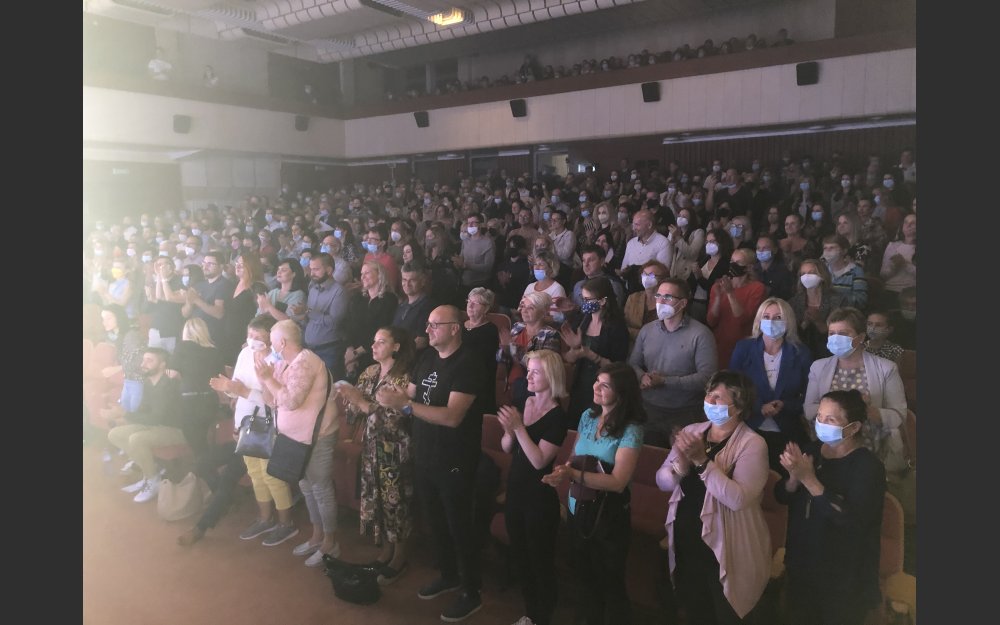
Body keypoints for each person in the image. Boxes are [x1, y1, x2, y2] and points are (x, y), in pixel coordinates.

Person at [374, 305, 490, 623]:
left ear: (455, 328)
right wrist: (393, 394)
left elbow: (452, 417)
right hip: (425, 452)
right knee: (435, 521)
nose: (428, 330)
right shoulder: (426, 359)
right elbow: (410, 393)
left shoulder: (468, 363)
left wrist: (406, 405)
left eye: (436, 325)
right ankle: (449, 575)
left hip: (455, 459)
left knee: (458, 525)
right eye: (428, 324)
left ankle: (471, 591)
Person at [656, 370, 772, 625]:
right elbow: (662, 481)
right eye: (709, 394)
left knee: (724, 613)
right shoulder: (693, 431)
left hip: (726, 545)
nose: (709, 401)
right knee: (694, 609)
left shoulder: (753, 444)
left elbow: (738, 499)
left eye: (718, 397)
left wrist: (701, 461)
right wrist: (678, 467)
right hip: (688, 537)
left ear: (738, 406)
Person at [541, 362, 645, 625]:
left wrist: (573, 474)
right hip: (579, 506)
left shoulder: (631, 428)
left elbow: (618, 481)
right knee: (583, 576)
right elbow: (574, 456)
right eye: (597, 381)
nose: (596, 387)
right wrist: (563, 471)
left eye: (605, 385)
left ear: (621, 393)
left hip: (608, 514)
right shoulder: (588, 416)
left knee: (610, 581)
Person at [776, 389, 886, 625]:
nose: (821, 424)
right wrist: (793, 479)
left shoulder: (868, 467)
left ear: (853, 428)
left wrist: (809, 479)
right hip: (802, 566)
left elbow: (852, 521)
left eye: (831, 420)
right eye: (819, 417)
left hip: (842, 577)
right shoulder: (812, 450)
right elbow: (782, 497)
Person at [178, 314, 277, 547]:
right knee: (202, 463)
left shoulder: (276, 360)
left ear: (270, 339)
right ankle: (227, 500)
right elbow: (235, 388)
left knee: (228, 477)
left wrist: (240, 391)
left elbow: (273, 402)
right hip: (240, 429)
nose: (252, 341)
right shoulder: (245, 354)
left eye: (258, 337)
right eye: (249, 335)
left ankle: (202, 526)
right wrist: (228, 389)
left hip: (261, 434)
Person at [257, 319, 341, 566]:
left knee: (321, 489)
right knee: (307, 488)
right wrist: (264, 378)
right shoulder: (284, 363)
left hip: (318, 437)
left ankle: (330, 543)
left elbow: (291, 400)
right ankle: (316, 536)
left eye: (272, 342)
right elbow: (272, 400)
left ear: (282, 343)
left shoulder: (306, 362)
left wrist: (269, 379)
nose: (270, 346)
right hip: (296, 439)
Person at [338, 326, 416, 583]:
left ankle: (400, 556)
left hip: (395, 449)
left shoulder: (404, 377)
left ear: (396, 347)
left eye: (381, 342)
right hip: (371, 446)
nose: (373, 346)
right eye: (374, 341)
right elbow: (354, 412)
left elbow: (394, 418)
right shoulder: (370, 371)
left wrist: (361, 402)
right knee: (378, 500)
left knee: (396, 503)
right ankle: (386, 551)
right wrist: (350, 398)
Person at [496, 350, 569, 625]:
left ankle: (542, 615)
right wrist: (509, 431)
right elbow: (507, 448)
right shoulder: (522, 401)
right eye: (528, 371)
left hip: (539, 497)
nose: (528, 376)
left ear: (552, 376)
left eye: (535, 372)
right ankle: (530, 613)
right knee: (521, 556)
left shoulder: (557, 417)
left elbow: (539, 461)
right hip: (516, 490)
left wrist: (518, 428)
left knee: (540, 560)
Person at [803, 307, 908, 475]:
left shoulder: (887, 368)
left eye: (843, 333)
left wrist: (866, 409)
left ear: (860, 337)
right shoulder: (818, 367)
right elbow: (809, 410)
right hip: (829, 446)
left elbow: (899, 415)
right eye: (831, 333)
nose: (836, 338)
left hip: (872, 449)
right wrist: (843, 408)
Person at [628, 277, 718, 448]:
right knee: (646, 456)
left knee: (678, 461)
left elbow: (707, 378)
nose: (660, 302)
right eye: (658, 296)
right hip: (648, 408)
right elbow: (633, 363)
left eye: (668, 297)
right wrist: (642, 376)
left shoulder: (701, 334)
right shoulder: (647, 330)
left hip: (685, 412)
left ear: (683, 303)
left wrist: (665, 381)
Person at [729, 298, 812, 472]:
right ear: (759, 321)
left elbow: (808, 396)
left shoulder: (801, 353)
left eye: (778, 317)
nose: (771, 322)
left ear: (788, 321)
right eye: (766, 317)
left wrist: (785, 405)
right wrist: (759, 407)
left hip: (786, 431)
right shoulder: (744, 348)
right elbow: (732, 389)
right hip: (749, 426)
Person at [107, 347, 185, 503]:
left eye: (149, 361)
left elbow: (156, 417)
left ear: (162, 365)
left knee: (136, 439)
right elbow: (144, 412)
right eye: (143, 360)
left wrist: (124, 414)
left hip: (175, 430)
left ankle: (152, 480)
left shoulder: (170, 385)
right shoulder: (148, 383)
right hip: (155, 426)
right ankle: (149, 471)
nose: (143, 364)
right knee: (114, 434)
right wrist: (121, 410)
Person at [561, 276, 630, 426]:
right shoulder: (582, 321)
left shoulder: (617, 327)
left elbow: (618, 368)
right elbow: (569, 358)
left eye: (588, 300)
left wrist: (591, 355)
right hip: (580, 383)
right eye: (582, 299)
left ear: (603, 301)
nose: (584, 303)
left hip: (604, 387)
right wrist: (574, 348)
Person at [169, 317, 225, 459]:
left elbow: (173, 373)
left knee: (195, 441)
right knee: (201, 438)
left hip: (190, 400)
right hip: (210, 399)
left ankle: (207, 467)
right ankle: (207, 465)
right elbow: (221, 376)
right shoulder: (214, 350)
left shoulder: (182, 346)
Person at [706, 247, 767, 368]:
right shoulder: (718, 286)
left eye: (738, 262)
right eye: (732, 261)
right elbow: (711, 321)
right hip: (720, 345)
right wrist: (718, 297)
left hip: (743, 346)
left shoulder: (757, 288)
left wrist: (730, 293)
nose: (733, 265)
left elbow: (743, 319)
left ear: (748, 267)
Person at [297, 253, 351, 380]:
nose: (312, 273)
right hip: (309, 349)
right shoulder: (312, 287)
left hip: (328, 350)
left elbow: (334, 323)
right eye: (311, 269)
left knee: (329, 385)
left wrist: (308, 311)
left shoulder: (339, 291)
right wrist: (302, 314)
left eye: (316, 269)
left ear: (329, 270)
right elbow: (310, 317)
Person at [345, 261, 399, 380]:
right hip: (352, 354)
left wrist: (355, 353)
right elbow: (349, 324)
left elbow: (381, 329)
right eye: (361, 273)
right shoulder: (358, 298)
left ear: (379, 274)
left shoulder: (389, 300)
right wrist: (349, 350)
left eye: (367, 273)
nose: (363, 277)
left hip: (374, 355)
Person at [508, 292, 562, 410]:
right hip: (509, 381)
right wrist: (504, 348)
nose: (524, 311)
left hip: (531, 389)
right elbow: (504, 357)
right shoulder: (517, 327)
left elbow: (543, 370)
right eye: (523, 306)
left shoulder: (550, 335)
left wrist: (515, 350)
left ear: (543, 312)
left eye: (531, 308)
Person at [182, 251, 235, 352]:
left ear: (221, 266)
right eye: (204, 263)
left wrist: (196, 300)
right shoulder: (199, 285)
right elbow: (185, 314)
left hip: (212, 336)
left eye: (210, 264)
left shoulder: (224, 285)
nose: (205, 267)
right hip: (194, 334)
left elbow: (219, 313)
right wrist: (189, 302)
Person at [100, 303, 146, 414]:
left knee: (131, 414)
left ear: (119, 317)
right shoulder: (118, 337)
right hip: (129, 379)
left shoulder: (131, 336)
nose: (104, 322)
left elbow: (139, 361)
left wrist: (115, 369)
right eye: (103, 319)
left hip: (138, 380)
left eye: (109, 318)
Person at [224, 253, 267, 365]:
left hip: (245, 338)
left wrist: (251, 339)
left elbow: (263, 315)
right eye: (237, 263)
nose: (237, 266)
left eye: (242, 265)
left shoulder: (257, 287)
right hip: (229, 337)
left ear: (251, 266)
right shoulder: (234, 284)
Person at [788, 258, 835, 361]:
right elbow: (792, 335)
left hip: (830, 352)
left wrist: (819, 322)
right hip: (802, 353)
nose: (806, 276)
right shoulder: (794, 302)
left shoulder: (838, 300)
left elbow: (840, 332)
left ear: (822, 276)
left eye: (811, 272)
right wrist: (804, 323)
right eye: (803, 274)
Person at [462, 287, 500, 411]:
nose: (470, 305)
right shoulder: (459, 326)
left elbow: (482, 359)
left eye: (476, 303)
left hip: (477, 377)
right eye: (469, 301)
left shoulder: (490, 330)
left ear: (486, 308)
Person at [619, 209, 673, 293]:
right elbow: (623, 269)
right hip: (631, 292)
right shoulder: (631, 243)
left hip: (653, 292)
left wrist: (634, 270)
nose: (633, 228)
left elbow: (662, 273)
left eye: (637, 225)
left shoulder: (663, 243)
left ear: (649, 225)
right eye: (633, 225)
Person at [687, 228, 734, 324]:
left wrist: (699, 277)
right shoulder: (704, 260)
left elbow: (714, 287)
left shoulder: (726, 264)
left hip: (710, 304)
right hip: (694, 302)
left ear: (722, 243)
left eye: (712, 241)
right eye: (707, 242)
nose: (709, 244)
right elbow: (691, 281)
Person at [392, 261, 437, 356]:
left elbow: (422, 341)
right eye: (404, 280)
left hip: (414, 359)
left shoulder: (427, 306)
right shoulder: (401, 305)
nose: (407, 284)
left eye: (412, 280)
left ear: (422, 282)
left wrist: (395, 352)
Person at [144, 256, 186, 353]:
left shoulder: (181, 282)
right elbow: (152, 303)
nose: (161, 267)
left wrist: (163, 278)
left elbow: (170, 298)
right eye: (159, 265)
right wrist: (159, 277)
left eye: (165, 264)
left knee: (171, 358)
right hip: (156, 327)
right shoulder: (156, 282)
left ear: (172, 267)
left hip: (172, 329)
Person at [623, 259, 669, 345]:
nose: (646, 278)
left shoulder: (668, 301)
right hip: (632, 345)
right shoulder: (633, 298)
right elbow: (624, 326)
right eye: (644, 274)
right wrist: (642, 335)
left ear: (662, 279)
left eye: (651, 275)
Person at [878, 213, 916, 311]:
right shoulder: (892, 245)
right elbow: (883, 274)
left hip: (911, 292)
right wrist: (893, 266)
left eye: (913, 223)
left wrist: (905, 264)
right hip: (890, 289)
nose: (908, 225)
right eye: (906, 222)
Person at [821, 235, 868, 312]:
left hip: (845, 313)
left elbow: (861, 300)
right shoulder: (821, 270)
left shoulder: (856, 271)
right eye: (825, 248)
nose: (828, 251)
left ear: (844, 251)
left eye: (832, 248)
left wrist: (835, 300)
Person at [454, 213, 496, 296]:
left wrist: (467, 265)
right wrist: (457, 262)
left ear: (480, 224)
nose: (470, 225)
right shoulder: (465, 241)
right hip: (464, 283)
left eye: (473, 222)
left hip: (480, 285)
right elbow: (461, 257)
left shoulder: (488, 242)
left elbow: (488, 267)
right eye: (468, 223)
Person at [255, 257, 307, 322]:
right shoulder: (273, 292)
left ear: (294, 274)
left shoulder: (298, 294)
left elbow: (288, 320)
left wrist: (269, 307)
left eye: (284, 270)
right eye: (278, 269)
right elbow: (258, 316)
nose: (279, 272)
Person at [753, 233, 794, 301]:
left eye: (765, 248)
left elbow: (785, 297)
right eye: (758, 248)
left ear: (775, 250)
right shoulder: (753, 269)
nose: (761, 251)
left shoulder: (783, 272)